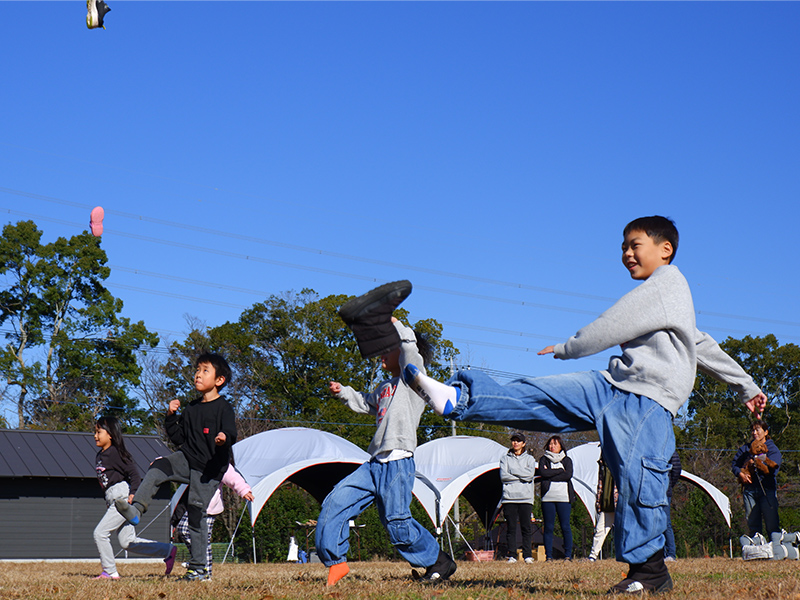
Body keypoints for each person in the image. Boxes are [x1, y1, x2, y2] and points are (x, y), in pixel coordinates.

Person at [404, 216, 767, 594]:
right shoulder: (667, 301)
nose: (626, 253)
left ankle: (650, 572)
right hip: (611, 385)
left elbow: (616, 323)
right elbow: (700, 343)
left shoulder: (668, 283)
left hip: (646, 402)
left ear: (665, 249)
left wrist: (570, 347)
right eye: (623, 247)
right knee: (539, 396)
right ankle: (459, 399)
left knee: (640, 481)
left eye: (634, 244)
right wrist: (747, 386)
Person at [316, 281, 456, 587]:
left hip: (398, 463)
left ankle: (438, 561)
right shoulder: (383, 387)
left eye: (387, 348)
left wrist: (394, 322)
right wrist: (344, 392)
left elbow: (410, 351)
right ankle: (335, 562)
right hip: (374, 464)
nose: (382, 354)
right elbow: (365, 403)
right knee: (334, 503)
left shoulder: (412, 379)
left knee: (397, 523)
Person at [116, 352, 237, 582]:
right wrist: (171, 416)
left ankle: (199, 569)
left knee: (195, 511)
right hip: (187, 458)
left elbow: (231, 432)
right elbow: (179, 438)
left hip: (210, 469)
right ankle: (136, 509)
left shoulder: (224, 408)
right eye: (197, 370)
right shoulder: (191, 408)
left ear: (219, 380)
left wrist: (223, 437)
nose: (198, 374)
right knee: (159, 466)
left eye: (205, 370)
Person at [92, 416, 177, 579]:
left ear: (110, 434)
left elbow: (134, 474)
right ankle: (167, 551)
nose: (95, 436)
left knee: (100, 533)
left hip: (121, 498)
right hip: (112, 497)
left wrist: (133, 494)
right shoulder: (100, 455)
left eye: (98, 432)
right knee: (127, 541)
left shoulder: (116, 453)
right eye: (94, 432)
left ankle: (110, 571)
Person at [172, 463, 254, 580]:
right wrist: (161, 464)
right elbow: (180, 462)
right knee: (184, 530)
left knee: (203, 539)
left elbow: (232, 477)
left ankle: (204, 572)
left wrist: (244, 490)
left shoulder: (219, 462)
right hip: (194, 503)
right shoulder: (197, 457)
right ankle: (198, 562)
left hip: (209, 507)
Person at [731, 420, 781, 538]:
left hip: (766, 490)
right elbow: (734, 464)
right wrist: (740, 474)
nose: (754, 433)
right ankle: (757, 550)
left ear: (765, 432)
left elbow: (773, 470)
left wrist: (759, 464)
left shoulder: (772, 449)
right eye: (752, 430)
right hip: (749, 491)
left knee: (772, 523)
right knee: (753, 524)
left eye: (757, 430)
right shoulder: (745, 449)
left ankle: (776, 549)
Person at [499, 432, 536, 563]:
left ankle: (527, 555)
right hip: (509, 498)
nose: (515, 443)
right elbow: (503, 476)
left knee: (526, 528)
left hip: (526, 498)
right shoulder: (505, 459)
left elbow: (530, 476)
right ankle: (512, 555)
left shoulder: (530, 459)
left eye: (518, 441)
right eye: (514, 440)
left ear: (524, 444)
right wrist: (522, 474)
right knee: (511, 528)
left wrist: (513, 470)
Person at [538, 435, 574, 561]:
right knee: (548, 527)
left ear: (561, 446)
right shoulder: (543, 459)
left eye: (555, 444)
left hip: (564, 498)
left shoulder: (567, 460)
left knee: (565, 526)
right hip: (547, 498)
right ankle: (549, 556)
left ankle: (568, 555)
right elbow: (543, 473)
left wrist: (551, 474)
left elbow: (568, 475)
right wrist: (559, 471)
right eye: (550, 444)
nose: (552, 446)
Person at [588, 453, 617, 562]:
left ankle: (628, 556)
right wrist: (599, 502)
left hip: (620, 503)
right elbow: (600, 484)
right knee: (600, 530)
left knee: (624, 531)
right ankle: (593, 556)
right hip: (607, 503)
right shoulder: (602, 464)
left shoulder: (622, 462)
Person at [663, 450, 681, 562]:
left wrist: (669, 484)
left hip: (664, 492)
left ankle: (671, 553)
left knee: (666, 523)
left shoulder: (669, 447)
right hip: (652, 492)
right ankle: (661, 553)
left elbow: (677, 469)